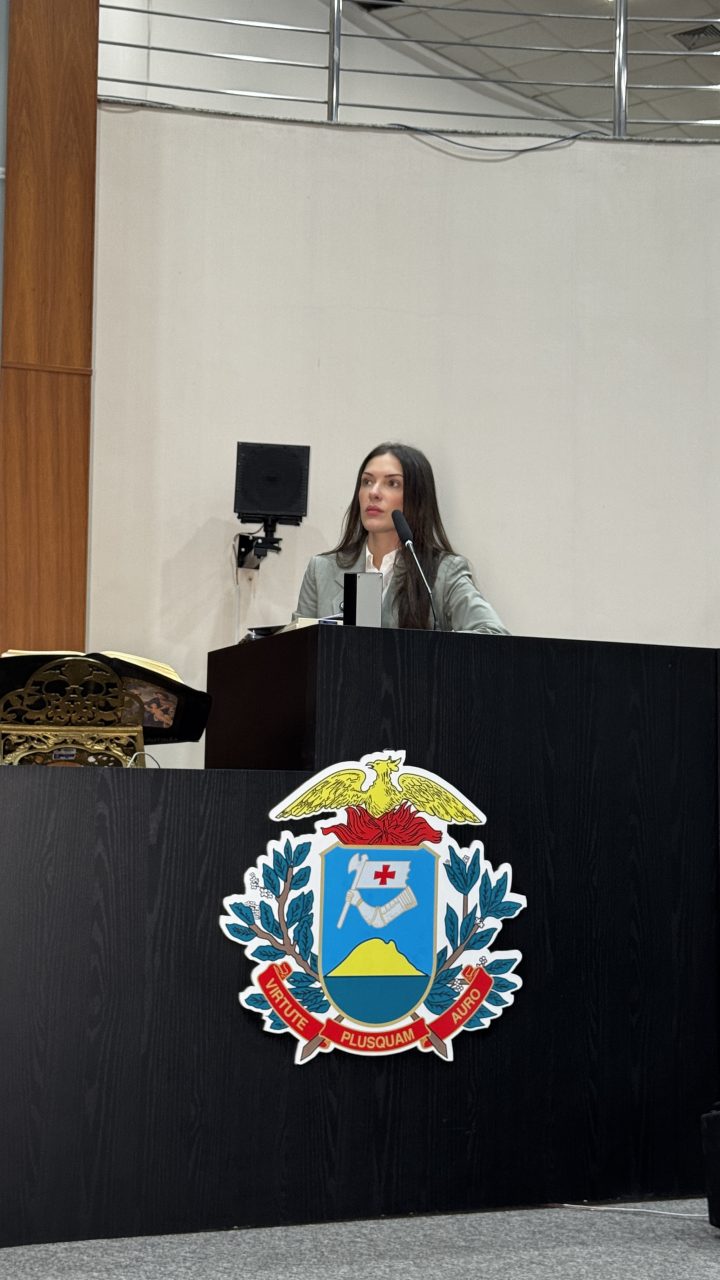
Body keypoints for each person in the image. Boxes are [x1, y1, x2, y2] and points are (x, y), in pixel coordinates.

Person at [295, 443, 508, 634]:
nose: (374, 492)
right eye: (367, 481)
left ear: (417, 498)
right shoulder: (321, 570)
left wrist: (436, 649)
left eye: (392, 483)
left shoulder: (443, 572)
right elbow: (296, 649)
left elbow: (494, 635)